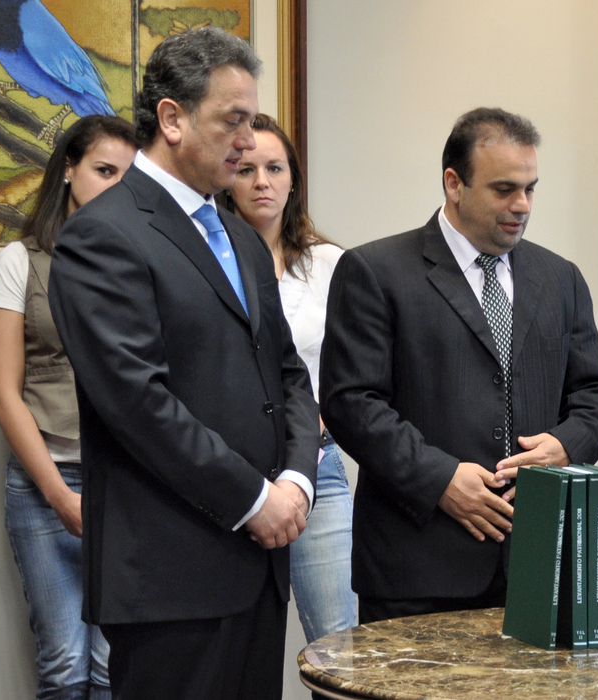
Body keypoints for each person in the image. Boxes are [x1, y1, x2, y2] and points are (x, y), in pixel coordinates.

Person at [47, 28, 319, 700]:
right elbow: (138, 403)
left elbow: (286, 373)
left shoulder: (242, 239)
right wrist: (254, 499)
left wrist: (295, 480)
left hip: (259, 567)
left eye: (253, 121)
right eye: (233, 121)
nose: (248, 142)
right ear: (172, 118)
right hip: (171, 579)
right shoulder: (101, 236)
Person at [320, 107, 598, 624]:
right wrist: (441, 480)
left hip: (537, 565)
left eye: (530, 189)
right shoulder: (376, 271)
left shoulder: (560, 278)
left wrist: (567, 446)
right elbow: (351, 404)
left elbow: (593, 395)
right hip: (417, 569)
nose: (522, 205)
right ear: (454, 184)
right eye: (504, 189)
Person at [0, 115, 138, 700]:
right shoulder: (21, 261)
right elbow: (4, 394)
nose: (115, 187)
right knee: (66, 664)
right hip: (44, 485)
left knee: (111, 666)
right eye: (103, 171)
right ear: (68, 170)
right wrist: (57, 494)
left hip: (123, 484)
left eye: (127, 177)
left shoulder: (139, 264)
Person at [222, 113, 356, 642]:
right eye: (246, 169)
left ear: (293, 180)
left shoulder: (331, 264)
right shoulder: (205, 261)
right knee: (238, 641)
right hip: (234, 472)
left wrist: (329, 422)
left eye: (275, 168)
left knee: (339, 642)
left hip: (316, 464)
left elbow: (359, 372)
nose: (262, 182)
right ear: (226, 178)